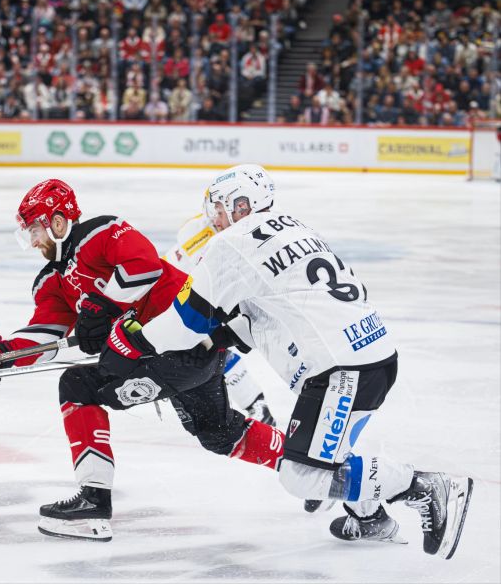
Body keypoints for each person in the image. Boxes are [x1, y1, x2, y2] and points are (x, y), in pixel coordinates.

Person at [103, 164, 474, 559]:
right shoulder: (293, 227)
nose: (214, 220)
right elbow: (263, 313)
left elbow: (184, 324)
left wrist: (130, 339)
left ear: (240, 205)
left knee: (304, 477)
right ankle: (371, 518)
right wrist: (217, 337)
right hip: (372, 355)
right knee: (330, 455)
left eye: (218, 209)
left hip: (341, 372)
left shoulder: (232, 244)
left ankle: (424, 484)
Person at [0, 179, 284, 542]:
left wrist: (104, 305)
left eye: (36, 230)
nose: (34, 241)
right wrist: (1, 355)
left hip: (184, 345)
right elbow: (44, 336)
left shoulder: (104, 232)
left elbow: (144, 266)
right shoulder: (52, 281)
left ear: (58, 221)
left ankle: (94, 502)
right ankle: (310, 465)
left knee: (77, 385)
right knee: (219, 434)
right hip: (175, 359)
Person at [163, 202, 276, 427]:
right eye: (215, 211)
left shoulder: (228, 234)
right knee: (208, 350)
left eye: (220, 211)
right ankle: (252, 406)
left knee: (213, 350)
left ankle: (254, 405)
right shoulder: (199, 234)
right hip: (178, 296)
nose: (216, 218)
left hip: (194, 296)